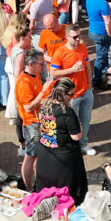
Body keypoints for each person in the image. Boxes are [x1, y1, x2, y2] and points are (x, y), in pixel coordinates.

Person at [35, 78, 88, 204]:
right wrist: (79, 129)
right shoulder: (67, 112)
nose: (73, 97)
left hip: (45, 154)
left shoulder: (44, 105)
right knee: (66, 193)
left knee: (47, 190)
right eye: (71, 94)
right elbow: (76, 137)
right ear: (63, 94)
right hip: (63, 158)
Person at [50, 25, 96, 156]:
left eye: (79, 36)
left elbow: (87, 65)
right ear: (66, 37)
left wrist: (89, 85)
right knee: (72, 124)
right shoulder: (60, 53)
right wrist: (72, 70)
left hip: (85, 91)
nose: (78, 39)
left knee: (85, 121)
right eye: (75, 37)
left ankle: (83, 144)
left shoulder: (82, 48)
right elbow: (53, 73)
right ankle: (73, 147)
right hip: (71, 96)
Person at [16, 49, 49, 190]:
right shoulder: (24, 82)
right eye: (41, 64)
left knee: (39, 157)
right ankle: (28, 188)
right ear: (31, 64)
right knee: (30, 156)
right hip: (32, 124)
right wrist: (43, 92)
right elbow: (28, 107)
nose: (44, 67)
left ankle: (39, 183)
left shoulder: (35, 75)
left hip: (40, 121)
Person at [86, 0, 111, 91]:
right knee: (101, 57)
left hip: (92, 31)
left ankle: (103, 72)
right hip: (101, 33)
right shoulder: (103, 3)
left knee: (102, 54)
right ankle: (96, 80)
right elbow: (107, 21)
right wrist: (110, 34)